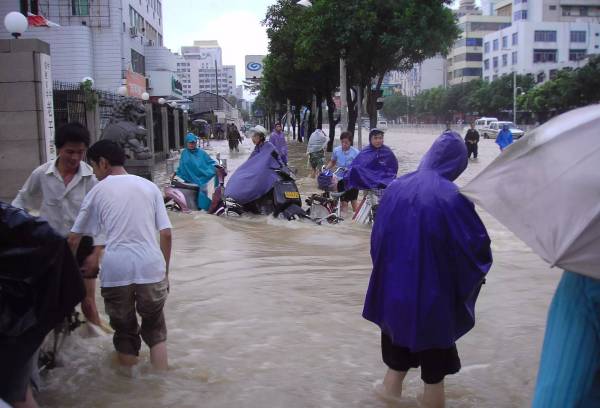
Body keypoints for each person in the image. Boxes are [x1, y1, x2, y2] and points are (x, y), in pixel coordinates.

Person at [363, 131, 492, 408]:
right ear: (458, 164)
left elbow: (377, 242)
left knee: (396, 366)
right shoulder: (454, 197)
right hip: (433, 302)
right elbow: (476, 250)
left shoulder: (396, 187)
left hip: (395, 296)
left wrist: (389, 278)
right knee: (434, 377)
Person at [67, 140, 172, 370]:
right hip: (151, 270)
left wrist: (68, 275)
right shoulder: (149, 187)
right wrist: (165, 272)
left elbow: (73, 238)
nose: (94, 173)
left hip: (116, 273)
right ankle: (161, 387)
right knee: (155, 332)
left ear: (103, 163)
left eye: (93, 167)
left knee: (124, 334)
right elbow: (166, 234)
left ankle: (128, 388)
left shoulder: (97, 191)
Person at [12, 122, 103, 326]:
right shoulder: (41, 174)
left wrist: (96, 254)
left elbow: (100, 218)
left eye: (80, 152)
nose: (75, 158)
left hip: (83, 246)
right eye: (69, 151)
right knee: (51, 302)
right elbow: (21, 203)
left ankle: (98, 346)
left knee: (88, 304)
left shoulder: (90, 178)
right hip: (51, 247)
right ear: (58, 149)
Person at [1, 202, 85, 408]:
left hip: (23, 314)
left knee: (17, 395)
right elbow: (23, 199)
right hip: (31, 307)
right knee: (20, 391)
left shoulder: (15, 223)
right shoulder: (15, 217)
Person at [176, 133, 218, 211]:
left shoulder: (201, 153)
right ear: (186, 143)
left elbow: (210, 162)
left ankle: (205, 210)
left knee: (205, 192)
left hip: (201, 178)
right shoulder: (184, 153)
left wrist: (217, 166)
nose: (192, 144)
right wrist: (176, 172)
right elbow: (182, 167)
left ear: (196, 143)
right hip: (189, 179)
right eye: (190, 143)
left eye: (193, 143)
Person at [326, 131, 360, 213]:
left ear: (350, 142)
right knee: (344, 203)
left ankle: (355, 222)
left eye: (346, 142)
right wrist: (326, 169)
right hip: (340, 180)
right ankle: (344, 222)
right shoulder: (336, 150)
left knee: (354, 202)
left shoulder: (356, 152)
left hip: (353, 180)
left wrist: (352, 169)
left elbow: (359, 166)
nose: (344, 144)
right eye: (342, 142)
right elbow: (333, 162)